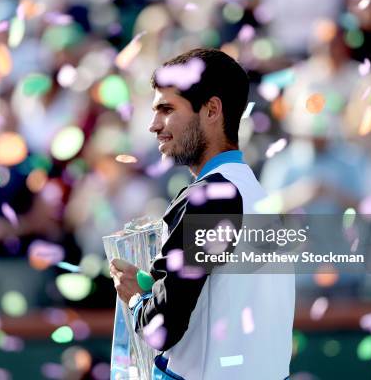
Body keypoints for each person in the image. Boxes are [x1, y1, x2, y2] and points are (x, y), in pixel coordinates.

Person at [109, 48, 295, 379]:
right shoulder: (257, 195)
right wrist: (155, 288)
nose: (154, 125)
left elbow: (162, 328)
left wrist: (136, 298)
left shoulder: (209, 197)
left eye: (166, 109)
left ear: (211, 110)